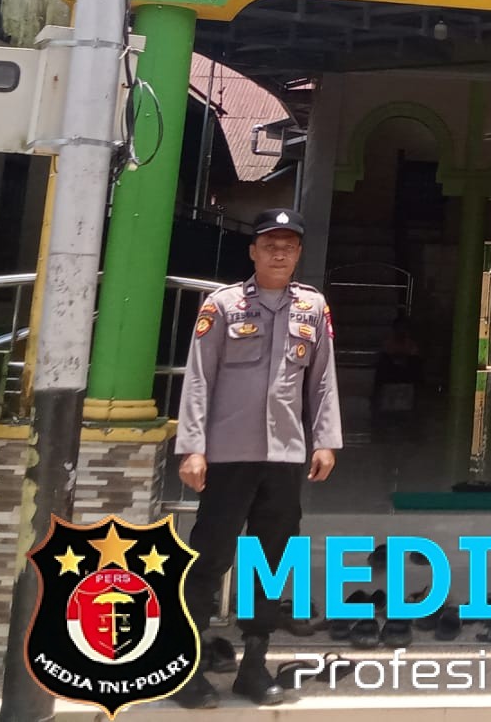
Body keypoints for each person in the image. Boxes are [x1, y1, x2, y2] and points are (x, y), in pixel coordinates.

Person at [173, 208, 343, 709]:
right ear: (253, 250)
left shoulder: (312, 308)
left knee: (269, 562)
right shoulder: (223, 305)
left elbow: (323, 379)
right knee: (208, 559)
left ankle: (254, 665)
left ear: (298, 253)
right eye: (270, 243)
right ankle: (188, 669)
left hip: (285, 457)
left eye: (288, 244)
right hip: (227, 456)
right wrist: (193, 447)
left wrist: (325, 439)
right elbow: (199, 378)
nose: (278, 251)